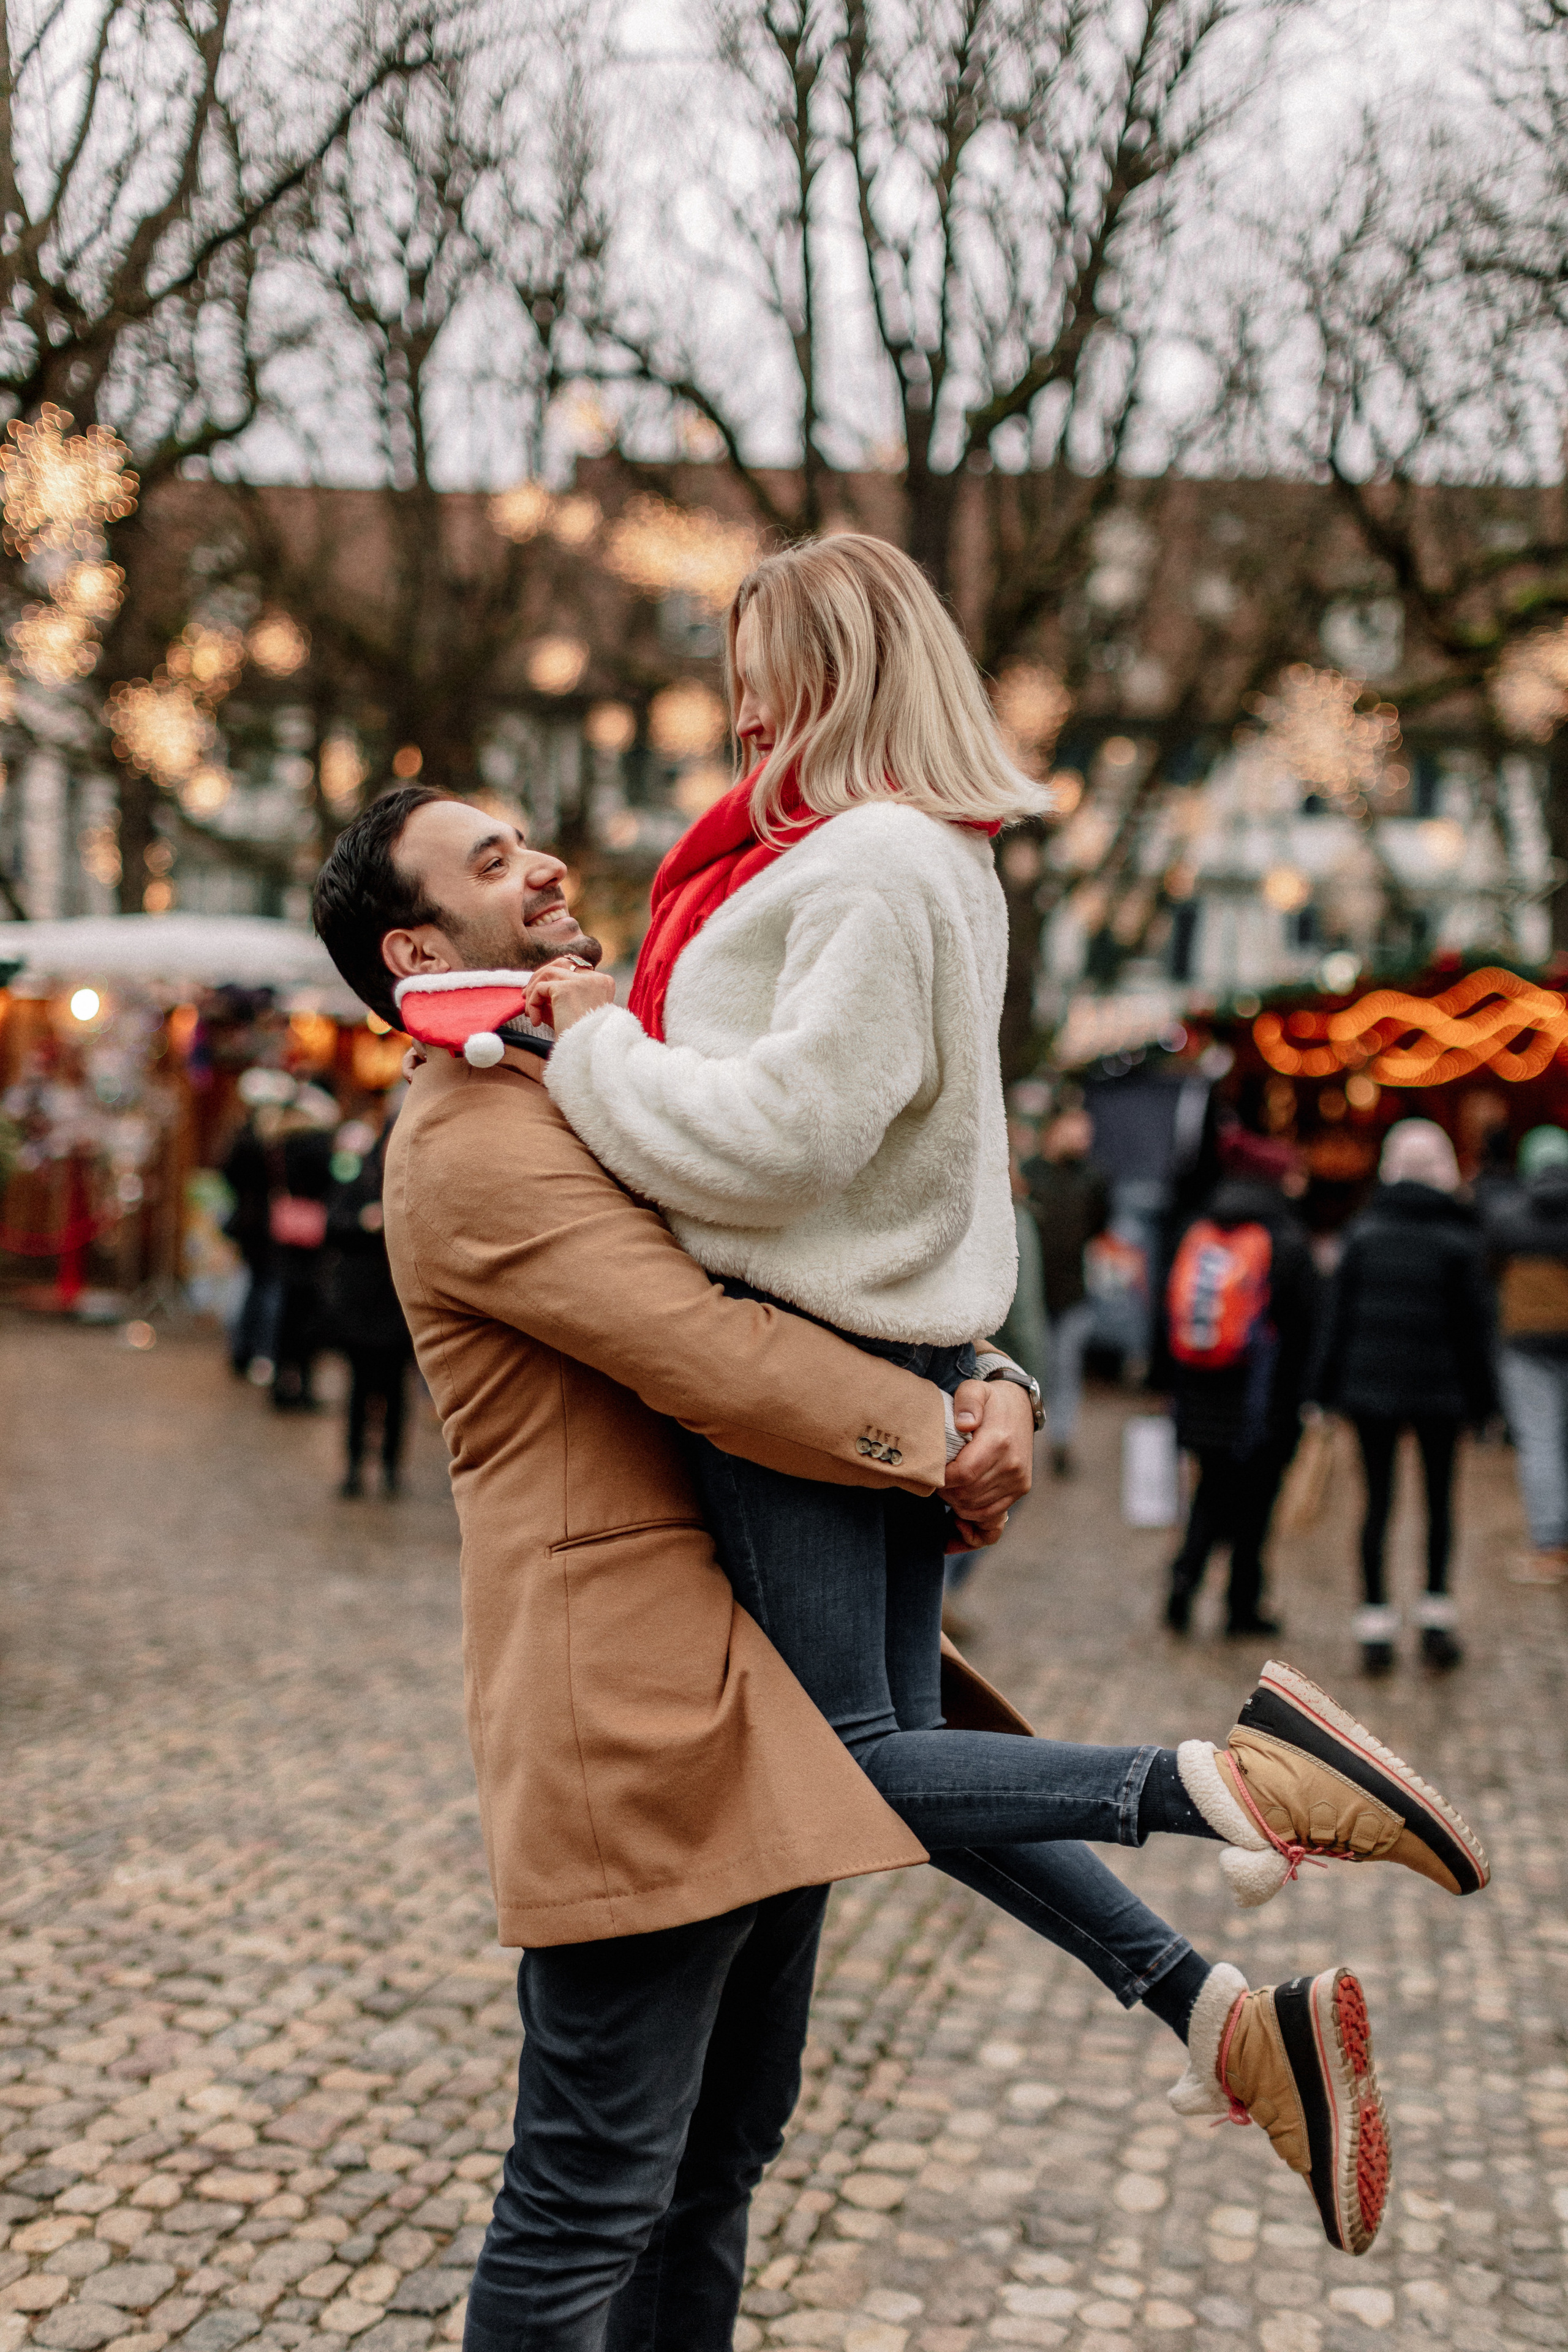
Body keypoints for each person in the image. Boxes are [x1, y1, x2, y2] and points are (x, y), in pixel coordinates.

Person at [500, 540, 1483, 2269]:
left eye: (762, 670)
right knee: (898, 1760)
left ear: (839, 671)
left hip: (811, 1378)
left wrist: (592, 1044)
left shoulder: (873, 867)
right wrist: (995, 1364)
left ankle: (1228, 1778)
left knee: (864, 1773)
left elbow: (787, 1140)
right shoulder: (912, 860)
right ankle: (1217, 2018)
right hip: (890, 1367)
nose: (737, 710)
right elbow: (955, 1175)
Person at [1313, 1118, 1496, 1674]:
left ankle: (1375, 1624)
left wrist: (1322, 1392)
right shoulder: (1460, 1239)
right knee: (1440, 1504)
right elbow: (1476, 1332)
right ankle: (1436, 1619)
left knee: (1377, 1503)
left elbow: (1335, 1322)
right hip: (1442, 1393)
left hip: (1371, 1391)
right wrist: (1487, 1404)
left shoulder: (1362, 1235)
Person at [1159, 1129, 1317, 1639]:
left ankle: (1183, 1586)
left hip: (1200, 1393)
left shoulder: (1199, 1228)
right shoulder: (1286, 1239)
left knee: (1209, 1493)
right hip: (1261, 1401)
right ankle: (1241, 1605)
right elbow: (1305, 1326)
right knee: (1255, 1504)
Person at [1484, 1121, 1568, 1586]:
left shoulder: (1508, 1216)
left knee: (1540, 1441)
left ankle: (1550, 1542)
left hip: (1526, 1341)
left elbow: (1490, 1274)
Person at [325, 1106, 413, 1498]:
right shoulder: (359, 1175)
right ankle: (355, 1466)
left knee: (395, 1391)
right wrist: (366, 1221)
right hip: (362, 1303)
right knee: (359, 1390)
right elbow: (334, 1224)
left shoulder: (417, 1180)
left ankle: (393, 1468)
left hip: (399, 1306)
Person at [1023, 1102, 1110, 1474]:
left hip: (1073, 1294)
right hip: (1033, 1295)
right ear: (1054, 1128)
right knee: (1032, 1368)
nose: (1083, 1137)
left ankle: (1061, 1442)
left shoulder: (1092, 1179)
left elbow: (1098, 1225)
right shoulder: (1029, 1176)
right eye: (1077, 1127)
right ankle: (1022, 1440)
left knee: (1066, 1368)